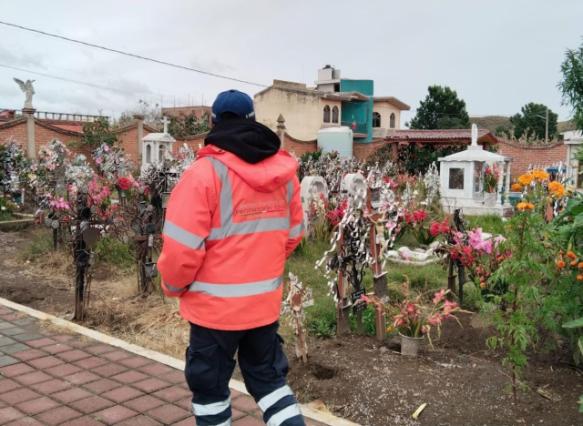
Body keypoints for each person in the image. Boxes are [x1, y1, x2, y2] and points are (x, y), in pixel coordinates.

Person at [158, 89, 305, 426]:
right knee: (270, 383)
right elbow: (293, 235)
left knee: (210, 392)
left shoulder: (203, 174)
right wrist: (260, 268)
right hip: (262, 308)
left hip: (213, 315)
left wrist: (173, 286)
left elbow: (181, 252)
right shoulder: (284, 176)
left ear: (213, 122)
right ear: (253, 121)